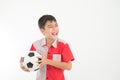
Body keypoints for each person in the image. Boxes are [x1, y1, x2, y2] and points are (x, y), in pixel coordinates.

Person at [20, 14, 75, 80]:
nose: (55, 29)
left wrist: (47, 61)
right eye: (50, 26)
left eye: (56, 25)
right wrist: (25, 67)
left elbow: (69, 66)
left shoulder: (63, 44)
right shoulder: (36, 45)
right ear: (42, 31)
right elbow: (32, 65)